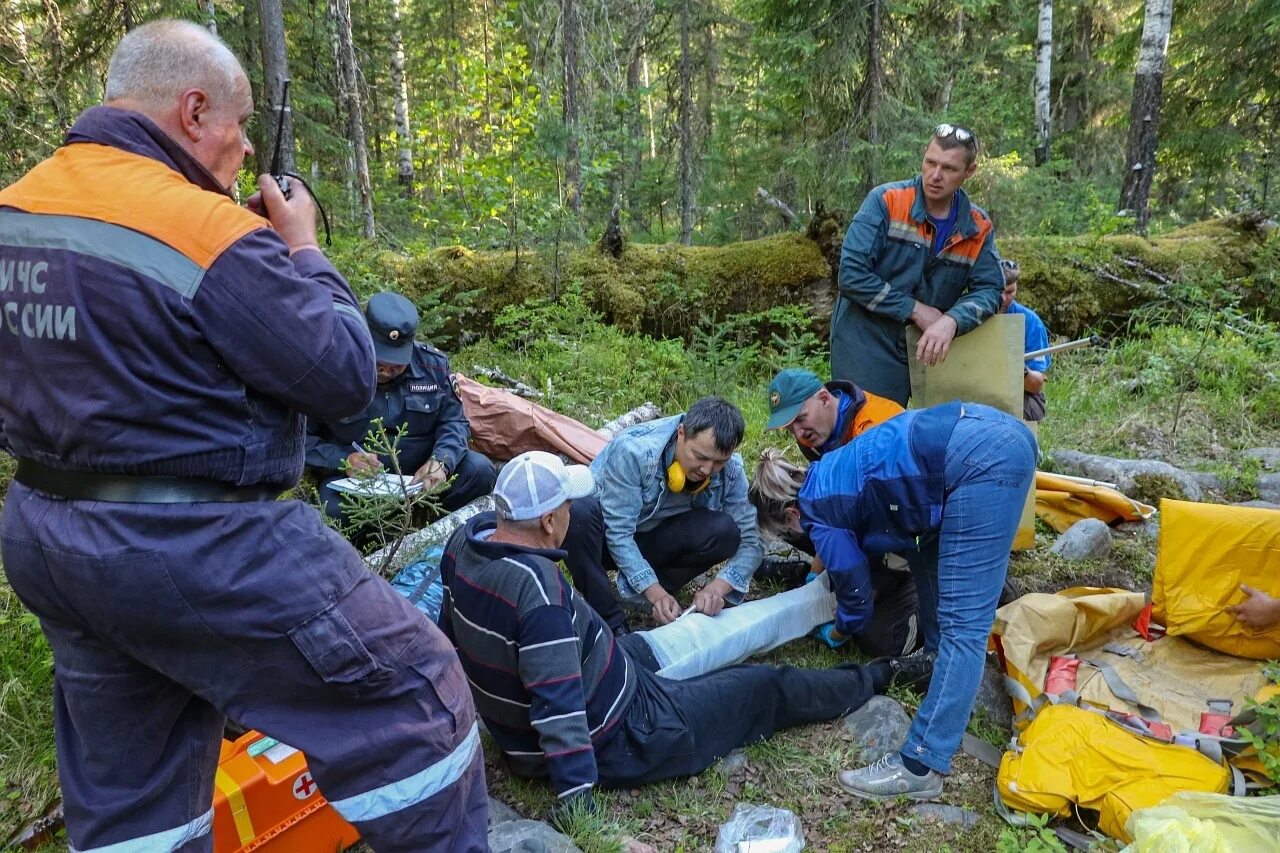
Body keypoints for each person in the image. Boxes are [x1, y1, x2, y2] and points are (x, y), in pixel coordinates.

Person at [0, 21, 485, 852]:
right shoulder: (202, 230)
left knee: (134, 800)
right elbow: (340, 374)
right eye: (238, 122)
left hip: (50, 538)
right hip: (206, 545)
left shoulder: (17, 208)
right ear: (193, 112)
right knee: (415, 695)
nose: (247, 143)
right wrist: (300, 249)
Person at [439, 451, 932, 817]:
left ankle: (822, 596)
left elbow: (447, 640)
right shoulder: (538, 594)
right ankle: (881, 674)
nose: (572, 513)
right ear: (548, 521)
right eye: (568, 505)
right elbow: (558, 708)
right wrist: (581, 812)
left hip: (613, 666)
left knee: (719, 629)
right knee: (763, 687)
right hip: (624, 729)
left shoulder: (468, 542)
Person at [751, 402, 1036, 800]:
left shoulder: (819, 511)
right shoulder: (831, 472)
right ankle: (943, 673)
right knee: (925, 555)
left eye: (791, 533)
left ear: (791, 515)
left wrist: (838, 630)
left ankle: (921, 763)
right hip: (981, 431)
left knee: (963, 627)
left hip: (980, 462)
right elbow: (908, 536)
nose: (802, 538)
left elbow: (856, 595)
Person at [832, 124, 1005, 406]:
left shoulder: (977, 225)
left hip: (933, 344)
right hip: (867, 339)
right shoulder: (886, 201)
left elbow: (990, 289)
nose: (935, 176)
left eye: (949, 169)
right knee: (873, 432)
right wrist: (914, 309)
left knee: (941, 433)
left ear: (969, 172)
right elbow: (851, 275)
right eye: (930, 162)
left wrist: (952, 321)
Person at [561, 396, 762, 634]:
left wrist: (717, 588)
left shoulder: (731, 470)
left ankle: (654, 594)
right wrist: (654, 593)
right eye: (700, 457)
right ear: (681, 433)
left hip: (655, 540)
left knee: (725, 531)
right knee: (577, 513)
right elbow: (619, 533)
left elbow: (752, 541)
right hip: (605, 539)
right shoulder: (634, 452)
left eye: (719, 461)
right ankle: (610, 619)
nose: (707, 470)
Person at [759, 368, 919, 657]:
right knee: (790, 517)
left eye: (800, 420)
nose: (798, 434)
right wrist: (816, 574)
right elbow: (825, 508)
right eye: (790, 428)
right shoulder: (817, 432)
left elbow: (897, 525)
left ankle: (935, 597)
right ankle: (836, 578)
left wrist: (866, 593)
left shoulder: (875, 431)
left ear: (824, 398)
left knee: (878, 638)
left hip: (913, 532)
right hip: (864, 519)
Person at [306, 291, 496, 527]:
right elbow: (303, 440)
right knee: (330, 510)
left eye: (395, 363)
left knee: (480, 471)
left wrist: (441, 463)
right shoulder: (332, 370)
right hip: (360, 485)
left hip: (423, 477)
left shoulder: (432, 367)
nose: (385, 370)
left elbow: (454, 423)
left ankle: (430, 523)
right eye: (379, 360)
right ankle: (384, 532)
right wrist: (344, 461)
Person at [997, 258, 1052, 421]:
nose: (1004, 299)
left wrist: (1020, 370)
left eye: (1010, 292)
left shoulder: (1030, 321)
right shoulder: (970, 314)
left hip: (1020, 394)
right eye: (999, 292)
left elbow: (1036, 384)